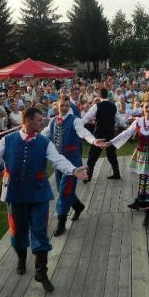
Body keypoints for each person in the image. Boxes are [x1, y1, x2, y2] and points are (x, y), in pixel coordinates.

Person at [0, 107, 88, 292]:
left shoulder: (44, 142)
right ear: (27, 121)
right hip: (14, 193)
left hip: (38, 193)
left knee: (40, 230)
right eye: (39, 120)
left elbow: (58, 159)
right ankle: (21, 258)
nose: (43, 123)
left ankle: (41, 272)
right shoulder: (8, 140)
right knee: (17, 232)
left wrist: (73, 170)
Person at [41, 97, 105, 236]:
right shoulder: (53, 121)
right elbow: (43, 135)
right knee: (63, 190)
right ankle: (78, 206)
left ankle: (61, 222)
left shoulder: (75, 120)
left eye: (66, 106)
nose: (64, 108)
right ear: (57, 106)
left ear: (69, 107)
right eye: (62, 105)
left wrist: (93, 141)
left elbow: (84, 133)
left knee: (64, 192)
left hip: (73, 165)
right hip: (59, 163)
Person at [80, 87, 125, 180]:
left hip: (99, 134)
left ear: (99, 95)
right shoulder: (113, 106)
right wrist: (125, 125)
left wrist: (78, 125)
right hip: (110, 133)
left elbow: (87, 117)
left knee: (93, 155)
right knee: (111, 154)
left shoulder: (96, 106)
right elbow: (120, 119)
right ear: (107, 94)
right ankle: (116, 174)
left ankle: (88, 176)